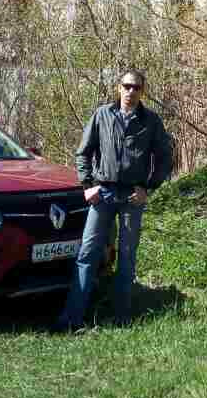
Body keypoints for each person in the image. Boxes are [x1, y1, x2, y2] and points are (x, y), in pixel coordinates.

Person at [54, 69, 174, 332]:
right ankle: (72, 318)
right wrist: (87, 185)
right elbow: (83, 153)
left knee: (127, 257)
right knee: (87, 254)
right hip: (103, 194)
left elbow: (166, 158)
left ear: (142, 92)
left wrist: (147, 187)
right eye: (127, 86)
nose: (131, 91)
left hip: (132, 197)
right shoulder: (102, 115)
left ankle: (121, 318)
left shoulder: (150, 121)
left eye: (136, 88)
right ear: (118, 88)